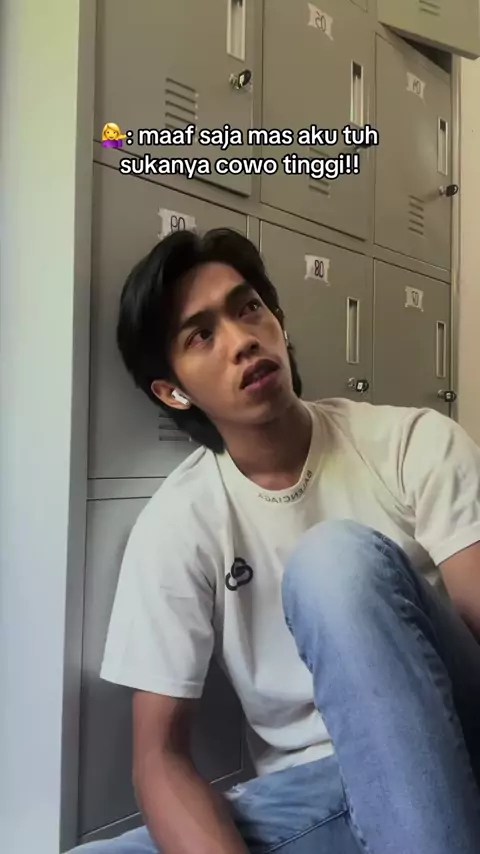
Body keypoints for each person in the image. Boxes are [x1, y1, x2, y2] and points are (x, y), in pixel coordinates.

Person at [71, 228, 480, 854]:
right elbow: (158, 758)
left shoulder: (414, 443)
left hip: (450, 742)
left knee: (332, 560)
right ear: (172, 391)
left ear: (279, 323)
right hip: (318, 790)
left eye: (248, 308)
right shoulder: (178, 524)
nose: (242, 340)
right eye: (201, 335)